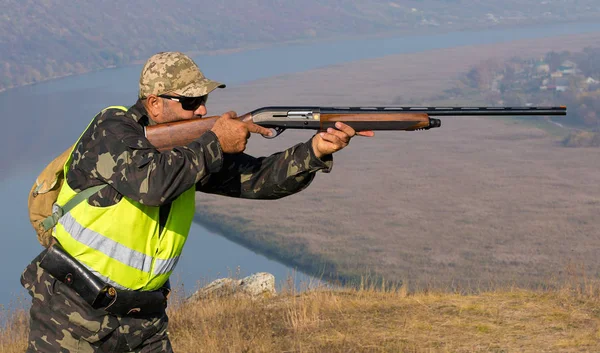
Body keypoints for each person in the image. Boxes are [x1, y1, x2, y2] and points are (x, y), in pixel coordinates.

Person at [20, 51, 374, 352]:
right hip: (70, 314)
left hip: (144, 321)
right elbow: (152, 182)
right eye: (190, 102)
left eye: (203, 100)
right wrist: (216, 142)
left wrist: (314, 152)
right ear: (154, 103)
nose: (202, 108)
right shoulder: (111, 129)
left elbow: (258, 181)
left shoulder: (187, 153)